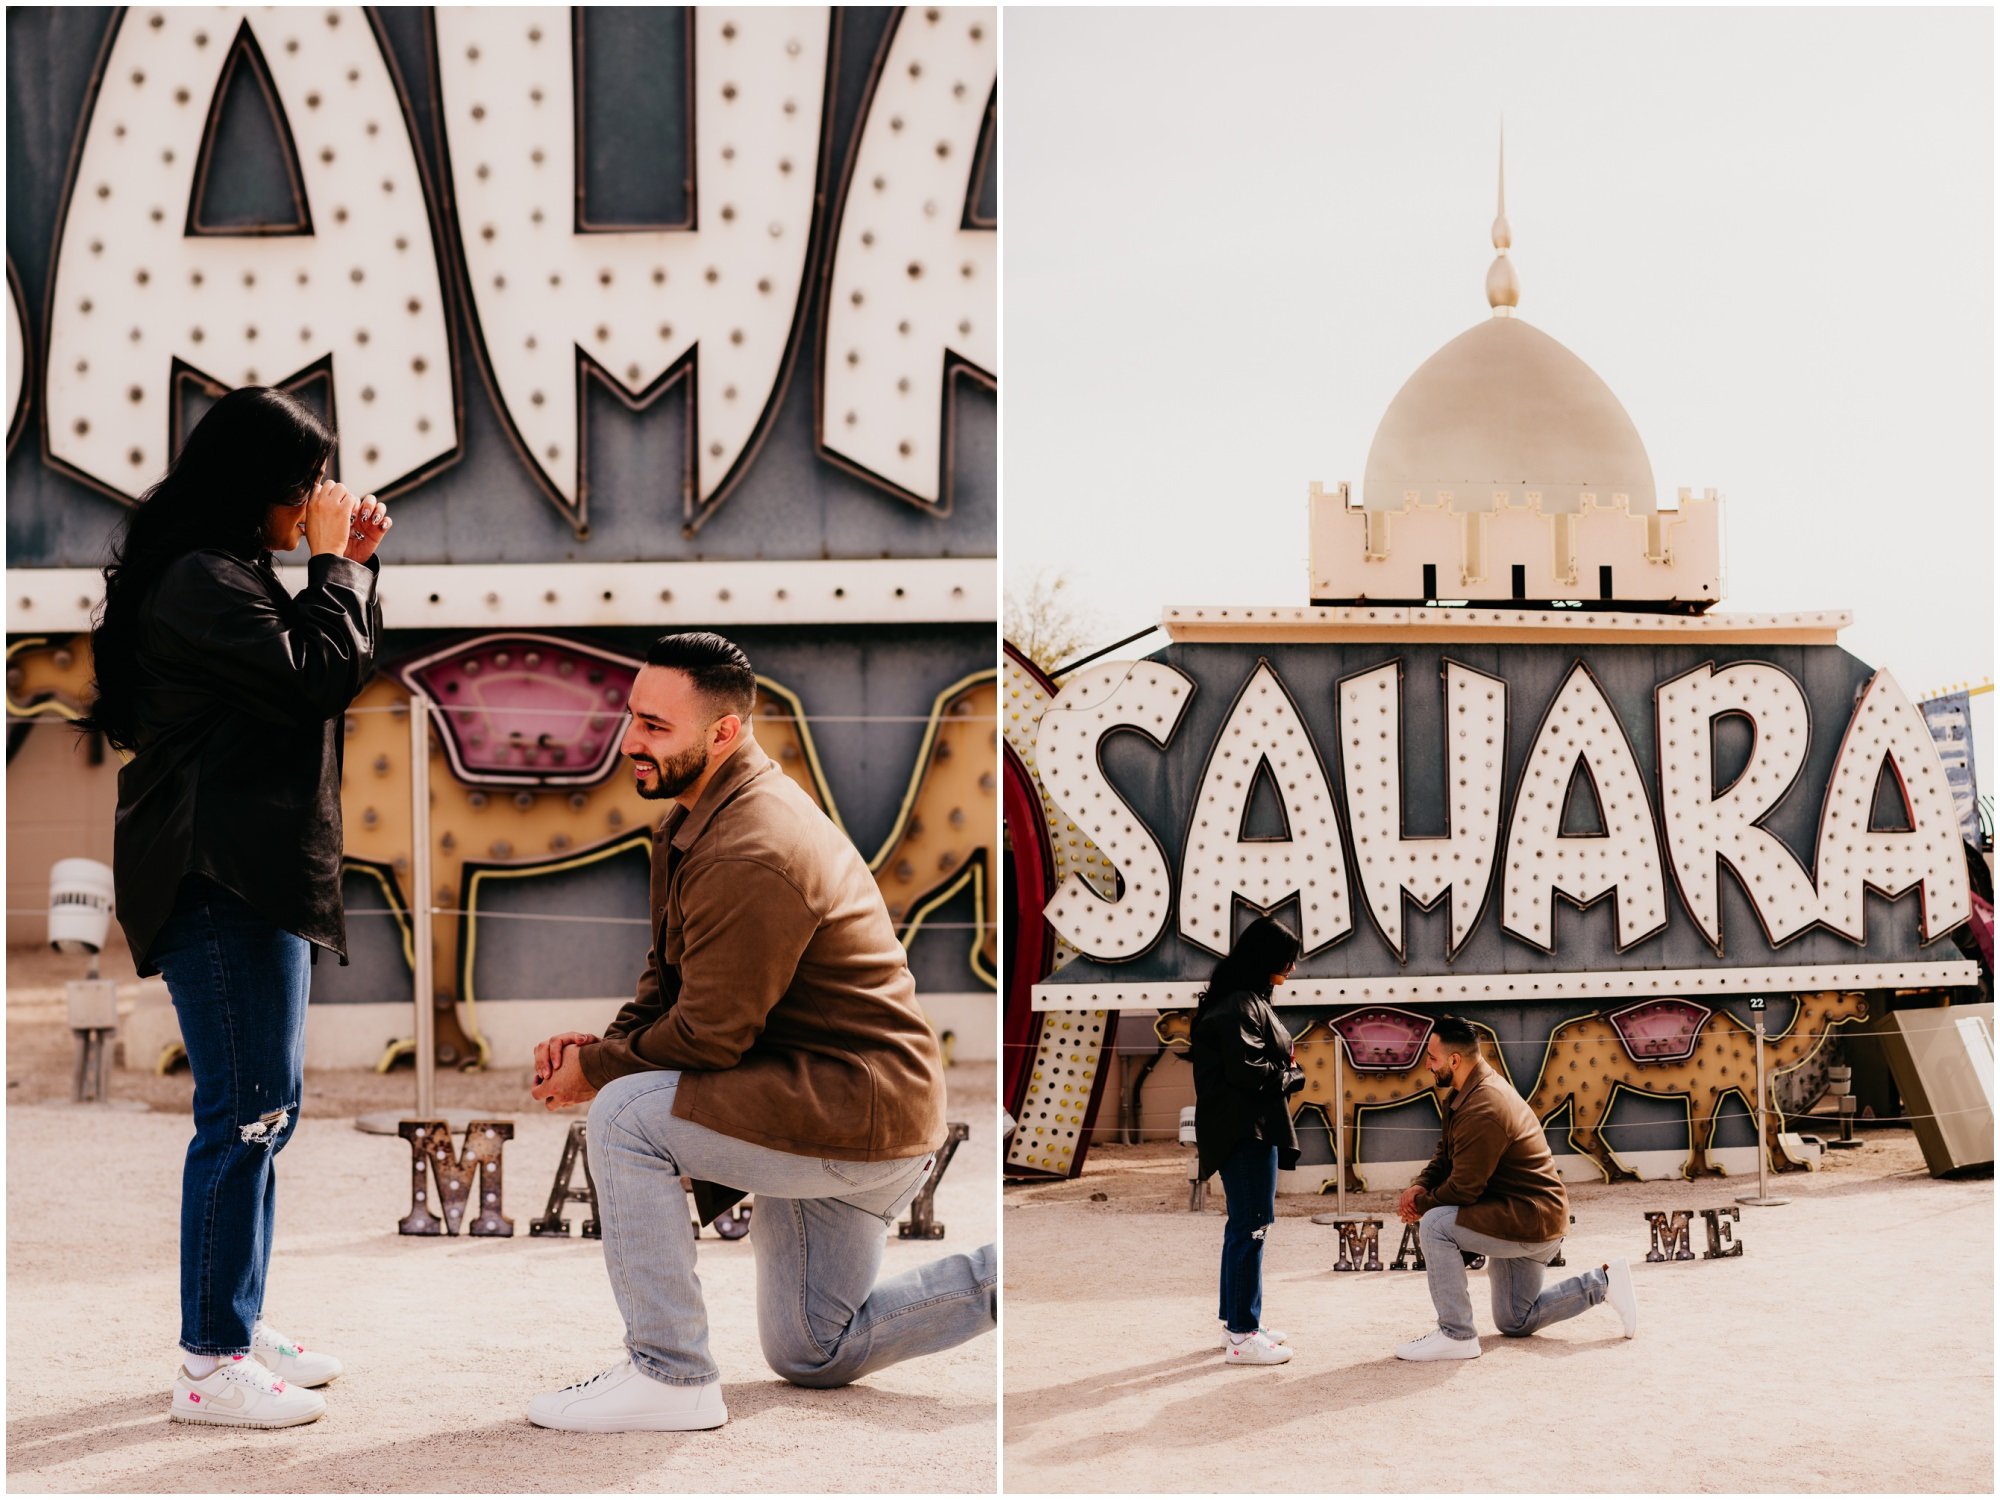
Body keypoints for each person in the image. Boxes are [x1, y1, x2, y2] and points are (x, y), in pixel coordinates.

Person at [524, 631, 997, 1432]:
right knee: (817, 1350)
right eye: (633, 717)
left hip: (851, 1114)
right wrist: (594, 1050)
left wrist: (600, 1075)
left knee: (626, 1118)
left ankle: (670, 1376)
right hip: (829, 1101)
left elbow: (708, 1037)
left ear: (723, 732)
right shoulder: (697, 818)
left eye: (656, 726)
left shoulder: (749, 845)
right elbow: (667, 984)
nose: (631, 741)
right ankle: (1007, 1275)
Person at [82, 387, 390, 1427]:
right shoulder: (201, 582)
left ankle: (236, 1321)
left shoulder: (227, 572)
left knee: (271, 1109)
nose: (313, 504)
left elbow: (322, 664)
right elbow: (315, 678)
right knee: (242, 1117)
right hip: (218, 879)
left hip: (250, 873)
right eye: (302, 487)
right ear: (258, 488)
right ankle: (209, 1362)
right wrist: (339, 567)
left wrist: (349, 567)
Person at [1393, 1015, 1638, 1360]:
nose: (1428, 1066)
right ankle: (1603, 1283)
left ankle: (1457, 1335)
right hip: (1519, 1216)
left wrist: (1421, 1207)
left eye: (1432, 1058)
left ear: (1454, 1060)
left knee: (1436, 1225)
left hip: (1528, 1221)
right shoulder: (1466, 1093)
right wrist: (1420, 1186)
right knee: (1515, 1319)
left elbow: (1464, 1190)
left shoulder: (1483, 1106)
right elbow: (1446, 1156)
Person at [1190, 916, 1306, 1366]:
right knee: (1252, 1227)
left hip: (1244, 1128)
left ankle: (1238, 1323)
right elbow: (1248, 1072)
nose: (1292, 968)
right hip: (1246, 1131)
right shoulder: (1242, 1003)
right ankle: (1242, 1334)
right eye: (1287, 960)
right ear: (1265, 959)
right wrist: (1292, 1077)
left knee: (1245, 1226)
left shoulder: (1242, 999)